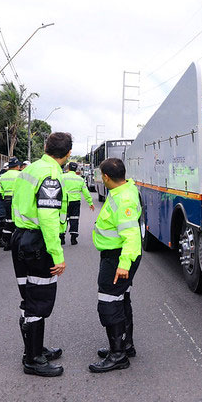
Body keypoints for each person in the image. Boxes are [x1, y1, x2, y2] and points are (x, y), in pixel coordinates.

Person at [10, 133, 72, 377]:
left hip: (20, 237)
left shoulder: (31, 168)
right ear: (67, 155)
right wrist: (57, 255)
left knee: (30, 296)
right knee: (39, 299)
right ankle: (33, 359)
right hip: (37, 242)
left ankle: (34, 349)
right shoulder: (51, 175)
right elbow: (47, 218)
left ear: (46, 147)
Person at [90, 157, 142, 373]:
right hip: (116, 255)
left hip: (119, 257)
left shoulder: (124, 199)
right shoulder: (122, 191)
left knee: (109, 301)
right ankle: (125, 346)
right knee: (121, 298)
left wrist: (123, 264)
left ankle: (118, 355)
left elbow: (131, 235)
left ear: (106, 177)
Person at [61, 161, 95, 245]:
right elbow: (85, 192)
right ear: (76, 169)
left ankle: (62, 237)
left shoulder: (61, 177)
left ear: (68, 168)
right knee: (74, 219)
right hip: (75, 202)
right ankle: (73, 238)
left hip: (64, 202)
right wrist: (90, 203)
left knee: (63, 219)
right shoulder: (80, 179)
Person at [0, 158, 23, 250]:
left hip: (7, 200)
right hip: (18, 200)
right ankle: (18, 243)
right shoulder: (21, 175)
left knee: (8, 220)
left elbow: (0, 191)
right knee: (19, 221)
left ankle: (7, 242)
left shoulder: (2, 176)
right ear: (17, 166)